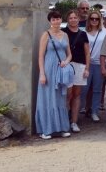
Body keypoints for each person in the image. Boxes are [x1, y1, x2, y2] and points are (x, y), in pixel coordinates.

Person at [36, 10, 72, 139]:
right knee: (48, 98)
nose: (56, 21)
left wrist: (66, 62)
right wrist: (42, 74)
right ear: (50, 21)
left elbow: (69, 54)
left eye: (58, 19)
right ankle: (46, 129)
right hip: (49, 69)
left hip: (61, 70)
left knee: (60, 98)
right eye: (53, 19)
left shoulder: (65, 35)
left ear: (61, 20)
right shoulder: (46, 35)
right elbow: (40, 56)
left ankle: (62, 127)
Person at [63, 11, 89, 133]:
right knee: (68, 95)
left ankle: (74, 121)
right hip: (67, 65)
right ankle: (64, 120)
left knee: (77, 95)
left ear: (78, 19)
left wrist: (87, 68)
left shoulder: (83, 34)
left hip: (80, 65)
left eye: (75, 18)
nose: (73, 20)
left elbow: (87, 52)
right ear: (67, 20)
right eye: (70, 18)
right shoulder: (63, 32)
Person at [81, 9, 106, 122]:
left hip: (99, 63)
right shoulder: (84, 32)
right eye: (92, 18)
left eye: (97, 19)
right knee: (84, 89)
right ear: (89, 20)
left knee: (97, 89)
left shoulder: (104, 32)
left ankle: (94, 111)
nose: (94, 20)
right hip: (87, 64)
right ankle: (80, 108)